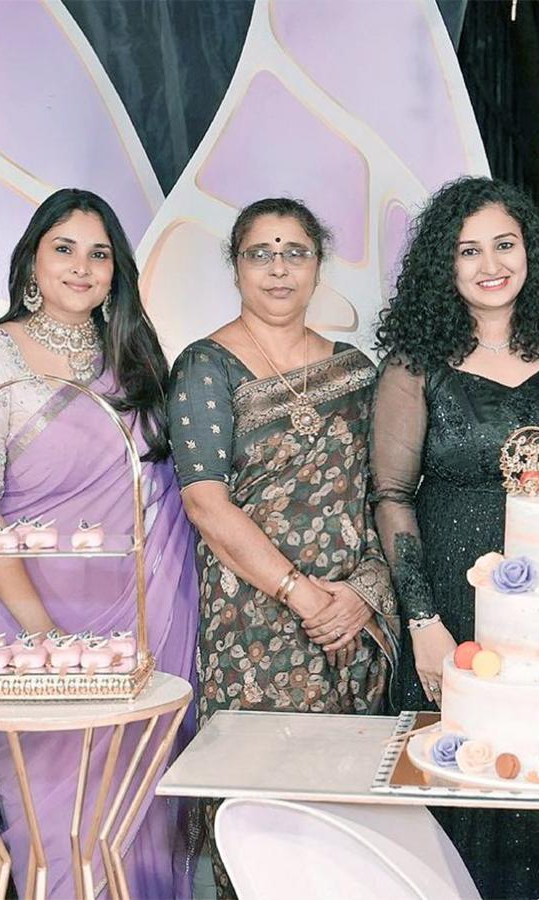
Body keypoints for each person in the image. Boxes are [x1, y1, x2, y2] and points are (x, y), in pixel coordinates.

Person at [371, 176, 539, 899]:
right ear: (444, 265)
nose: (489, 264)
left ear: (530, 252)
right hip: (453, 607)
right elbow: (390, 495)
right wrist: (422, 621)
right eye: (468, 251)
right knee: (466, 782)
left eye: (504, 244)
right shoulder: (415, 363)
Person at [0, 188, 199, 899]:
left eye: (99, 254)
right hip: (27, 628)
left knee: (139, 817)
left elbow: (162, 489)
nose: (81, 267)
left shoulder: (134, 359)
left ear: (116, 273)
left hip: (141, 619)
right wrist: (47, 640)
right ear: (32, 261)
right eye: (64, 249)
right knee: (52, 826)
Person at [168, 197, 397, 898]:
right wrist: (300, 594)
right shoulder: (206, 366)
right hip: (254, 623)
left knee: (346, 825)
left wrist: (361, 596)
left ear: (317, 266)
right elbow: (206, 504)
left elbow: (382, 494)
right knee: (260, 817)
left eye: (294, 252)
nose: (278, 269)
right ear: (236, 267)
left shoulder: (355, 370)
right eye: (260, 254)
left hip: (350, 624)